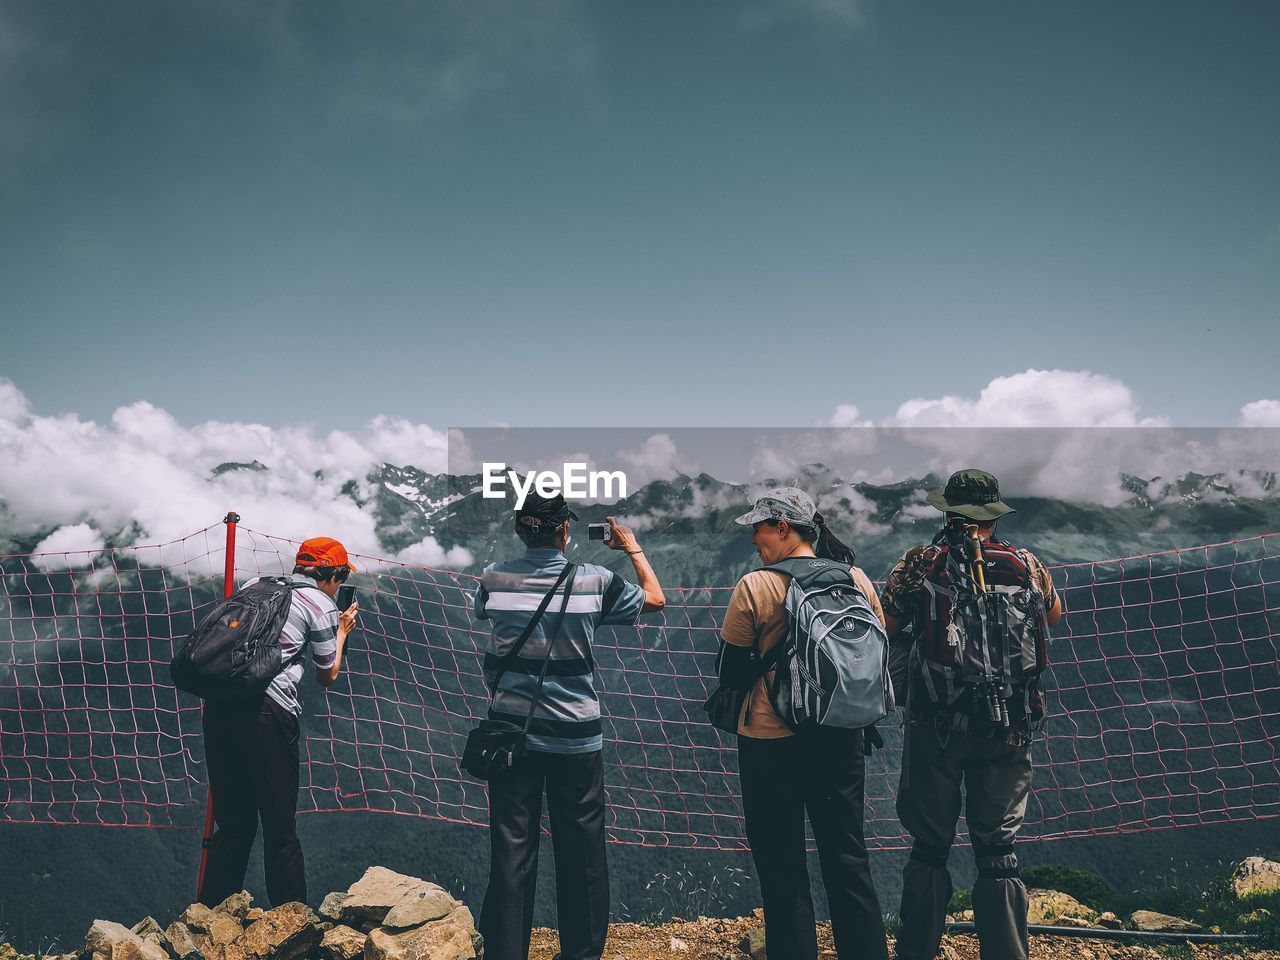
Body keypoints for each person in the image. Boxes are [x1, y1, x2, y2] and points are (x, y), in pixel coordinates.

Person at [473, 490, 664, 960]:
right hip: (576, 738)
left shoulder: (493, 579)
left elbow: (484, 612)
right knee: (581, 849)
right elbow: (656, 599)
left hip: (510, 735)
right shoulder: (595, 580)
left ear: (520, 531)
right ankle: (580, 953)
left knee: (512, 849)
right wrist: (632, 549)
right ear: (564, 531)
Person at [880, 469, 1063, 960]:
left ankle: (917, 949)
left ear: (947, 511)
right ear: (993, 514)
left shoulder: (920, 563)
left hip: (936, 723)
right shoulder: (1026, 562)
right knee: (998, 850)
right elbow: (1051, 615)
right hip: (1009, 725)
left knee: (929, 844)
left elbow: (886, 622)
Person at [717, 487, 889, 960]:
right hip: (843, 739)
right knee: (849, 860)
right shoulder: (856, 579)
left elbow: (730, 673)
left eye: (758, 527)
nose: (754, 538)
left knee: (781, 869)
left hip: (771, 743)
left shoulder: (756, 586)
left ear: (783, 528)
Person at [198, 536, 359, 908]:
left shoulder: (255, 586)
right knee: (279, 825)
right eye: (342, 577)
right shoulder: (320, 604)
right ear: (333, 574)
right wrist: (341, 631)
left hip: (219, 706)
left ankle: (205, 918)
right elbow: (326, 674)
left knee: (234, 823)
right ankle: (292, 921)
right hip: (267, 715)